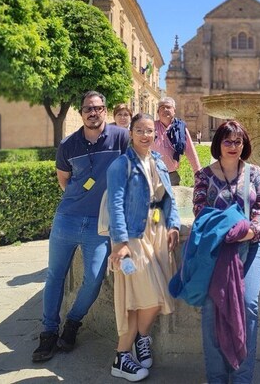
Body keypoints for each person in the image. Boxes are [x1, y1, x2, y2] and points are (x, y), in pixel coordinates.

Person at [32, 91, 129, 362]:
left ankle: (73, 323)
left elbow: (135, 168)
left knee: (94, 278)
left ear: (105, 111)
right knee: (54, 276)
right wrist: (83, 196)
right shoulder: (68, 144)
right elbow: (64, 180)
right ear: (81, 111)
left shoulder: (120, 137)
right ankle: (48, 333)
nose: (93, 112)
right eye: (88, 108)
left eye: (98, 108)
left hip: (99, 226)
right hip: (67, 218)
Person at [193, 120, 260, 383]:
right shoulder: (204, 175)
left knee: (248, 305)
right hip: (216, 249)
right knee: (210, 307)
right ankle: (216, 376)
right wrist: (226, 233)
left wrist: (251, 232)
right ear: (218, 144)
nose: (233, 146)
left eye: (238, 141)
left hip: (251, 246)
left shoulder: (255, 173)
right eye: (227, 141)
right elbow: (199, 210)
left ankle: (241, 377)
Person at [106, 113, 180, 381]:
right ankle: (122, 356)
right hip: (134, 237)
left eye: (150, 131)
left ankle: (140, 340)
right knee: (140, 297)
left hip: (156, 233)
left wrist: (172, 226)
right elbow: (115, 205)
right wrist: (122, 243)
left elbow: (166, 199)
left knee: (147, 299)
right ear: (131, 133)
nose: (146, 135)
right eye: (140, 130)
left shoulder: (158, 162)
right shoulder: (120, 165)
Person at [154, 96, 201, 185]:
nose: (165, 109)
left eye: (168, 107)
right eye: (162, 107)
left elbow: (190, 151)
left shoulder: (181, 129)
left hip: (171, 176)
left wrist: (198, 173)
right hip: (152, 175)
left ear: (174, 110)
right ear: (158, 112)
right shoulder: (151, 127)